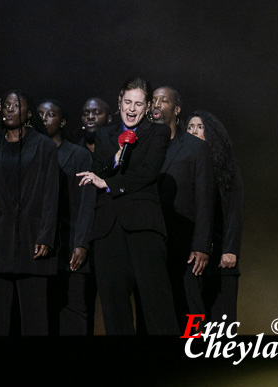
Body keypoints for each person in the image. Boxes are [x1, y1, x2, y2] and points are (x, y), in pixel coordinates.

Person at [76, 77, 179, 335]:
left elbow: (148, 172)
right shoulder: (105, 134)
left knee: (157, 306)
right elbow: (98, 168)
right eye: (128, 102)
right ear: (119, 102)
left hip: (143, 227)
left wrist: (110, 184)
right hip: (108, 230)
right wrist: (113, 159)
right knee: (114, 308)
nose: (132, 109)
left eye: (138, 104)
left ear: (146, 107)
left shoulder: (158, 132)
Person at [0, 90, 59, 336]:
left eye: (15, 105)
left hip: (32, 240)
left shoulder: (44, 146)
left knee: (34, 320)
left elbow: (51, 196)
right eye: (6, 105)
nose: (9, 109)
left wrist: (46, 237)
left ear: (29, 113)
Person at [151, 86, 215, 334]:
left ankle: (195, 347)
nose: (156, 104)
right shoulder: (144, 145)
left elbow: (205, 200)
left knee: (190, 303)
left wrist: (201, 245)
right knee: (159, 302)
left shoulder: (196, 148)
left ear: (177, 109)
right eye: (153, 100)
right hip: (155, 238)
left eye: (163, 100)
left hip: (186, 241)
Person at [37, 98, 95, 336]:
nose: (43, 119)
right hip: (39, 246)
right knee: (43, 311)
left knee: (73, 309)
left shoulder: (79, 155)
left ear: (62, 122)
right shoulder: (32, 153)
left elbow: (86, 204)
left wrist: (81, 243)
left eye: (50, 115)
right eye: (39, 114)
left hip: (69, 241)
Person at [187, 111, 243, 325]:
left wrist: (230, 249)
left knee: (222, 318)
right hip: (194, 253)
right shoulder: (187, 164)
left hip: (221, 253)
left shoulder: (225, 167)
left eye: (199, 127)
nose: (193, 130)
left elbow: (234, 211)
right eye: (190, 127)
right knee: (195, 316)